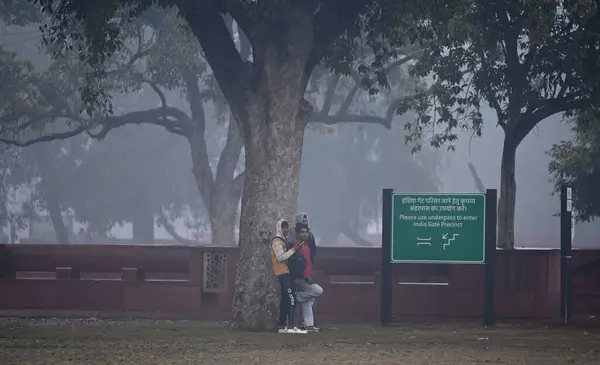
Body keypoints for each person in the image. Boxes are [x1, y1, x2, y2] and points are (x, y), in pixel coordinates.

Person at [271, 219, 305, 334]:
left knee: (285, 299)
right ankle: (290, 326)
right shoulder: (277, 242)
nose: (285, 230)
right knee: (291, 299)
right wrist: (294, 250)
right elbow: (280, 258)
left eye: (286, 227)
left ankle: (282, 326)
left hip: (285, 272)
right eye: (283, 227)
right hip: (282, 273)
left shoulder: (282, 241)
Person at [292, 222, 323, 332]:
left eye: (306, 232)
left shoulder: (306, 246)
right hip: (299, 278)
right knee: (318, 291)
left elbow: (308, 263)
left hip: (307, 277)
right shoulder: (297, 246)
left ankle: (308, 325)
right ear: (297, 234)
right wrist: (305, 276)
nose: (305, 234)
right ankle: (297, 297)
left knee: (308, 300)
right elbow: (296, 264)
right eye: (302, 232)